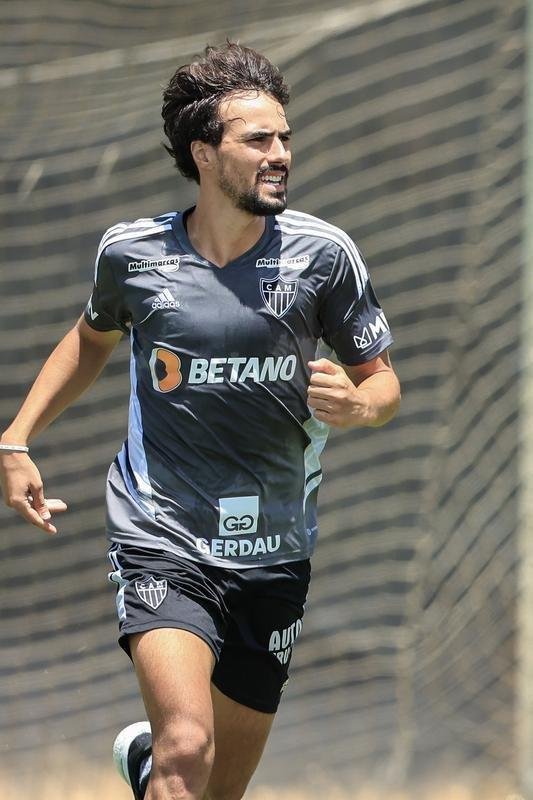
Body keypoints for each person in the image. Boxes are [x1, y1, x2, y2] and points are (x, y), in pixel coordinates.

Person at [0, 42, 400, 800]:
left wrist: (357, 407)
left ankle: (146, 768)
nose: (279, 153)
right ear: (204, 153)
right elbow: (89, 341)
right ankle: (165, 762)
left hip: (275, 548)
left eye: (283, 137)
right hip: (162, 536)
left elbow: (384, 387)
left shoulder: (323, 255)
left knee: (213, 788)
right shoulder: (133, 253)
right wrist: (14, 440)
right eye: (257, 139)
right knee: (188, 751)